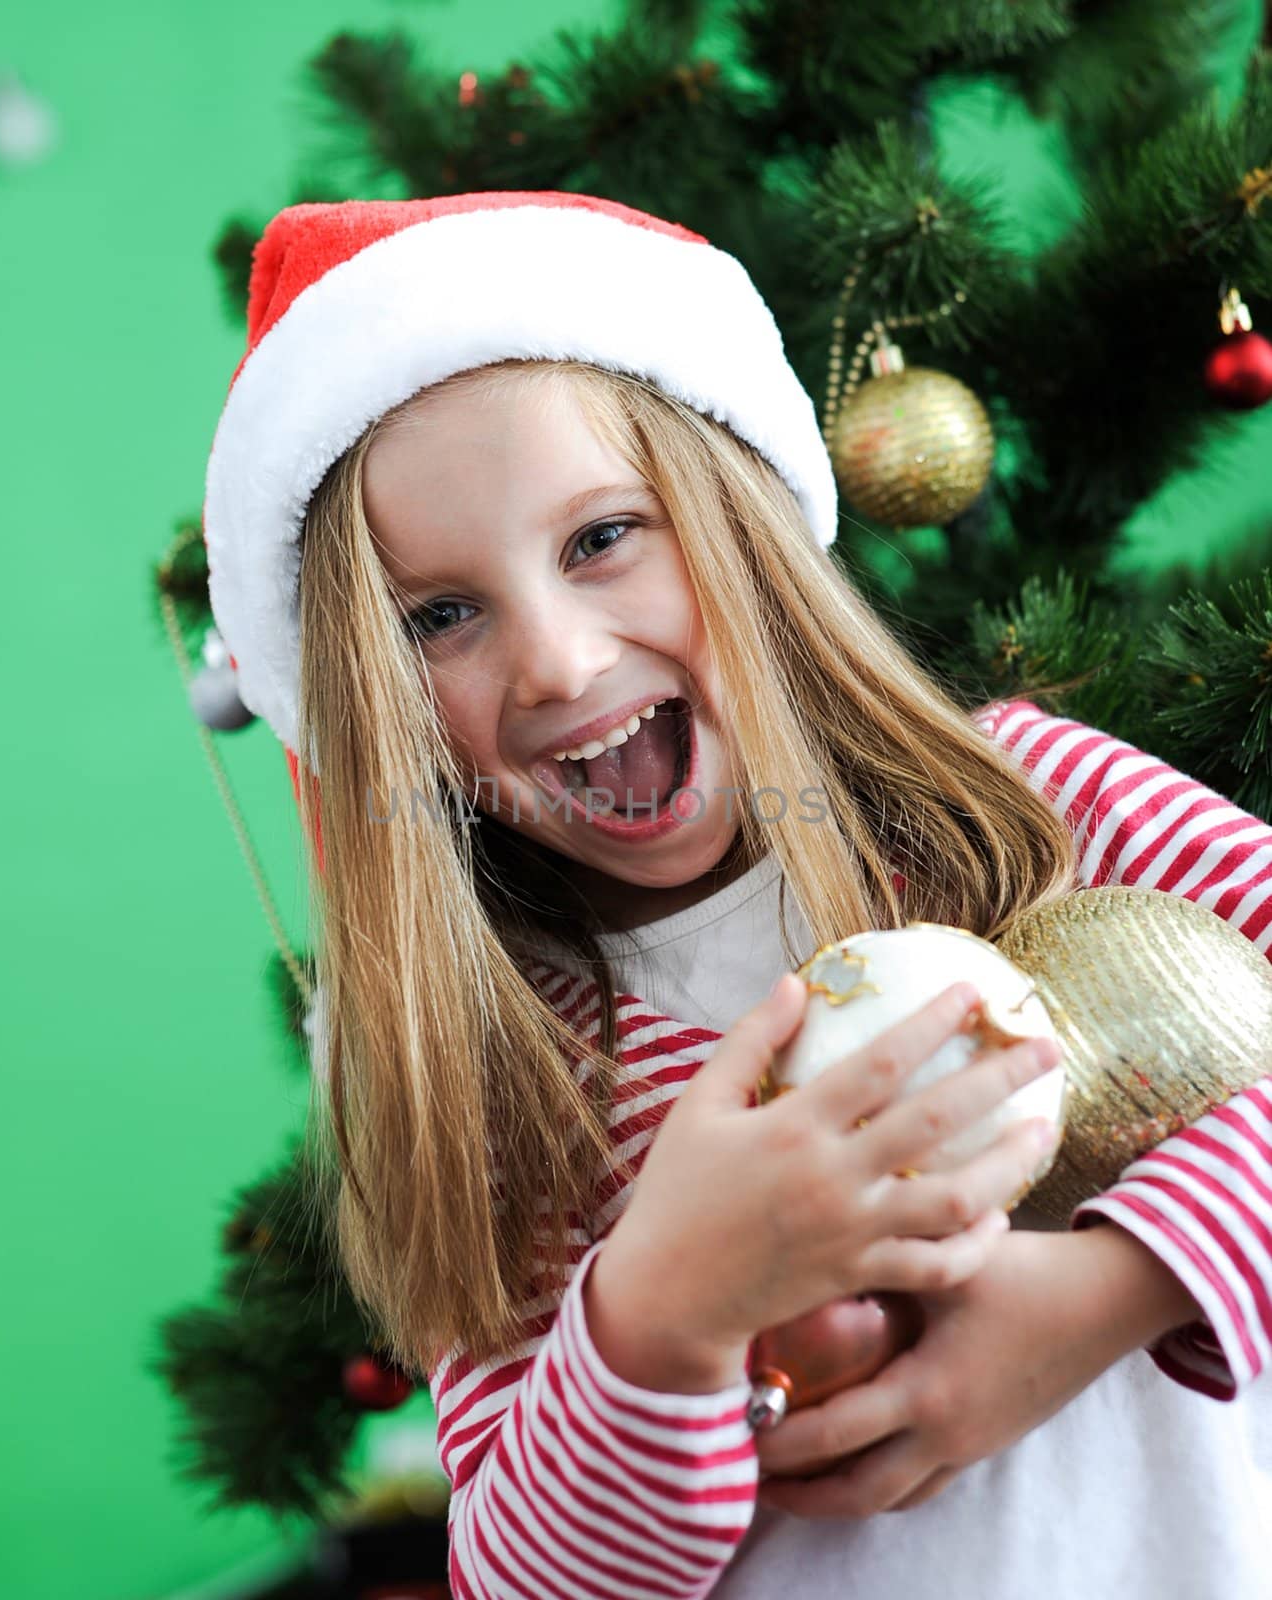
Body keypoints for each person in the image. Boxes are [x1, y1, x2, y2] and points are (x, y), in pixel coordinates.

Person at [201, 192, 1272, 1599]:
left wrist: (1118, 1287)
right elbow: (531, 1579)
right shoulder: (489, 1057)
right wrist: (662, 1309)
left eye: (599, 539)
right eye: (440, 617)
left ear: (743, 531)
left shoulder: (1030, 805)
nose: (561, 663)